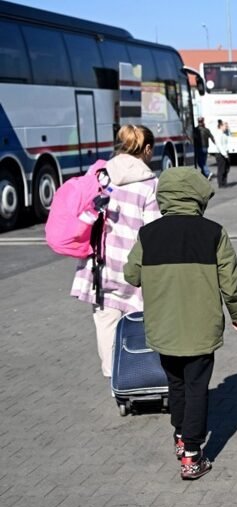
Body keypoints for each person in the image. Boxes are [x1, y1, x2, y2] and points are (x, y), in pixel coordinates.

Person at [124, 167, 237, 480]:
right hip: (201, 327)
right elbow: (230, 281)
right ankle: (192, 454)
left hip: (163, 326)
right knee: (196, 387)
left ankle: (180, 435)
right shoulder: (214, 232)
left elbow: (131, 275)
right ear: (198, 195)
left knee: (175, 383)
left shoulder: (148, 234)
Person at [70, 124, 161, 379]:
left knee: (106, 322)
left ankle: (114, 379)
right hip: (135, 266)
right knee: (139, 322)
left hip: (100, 265)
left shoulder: (99, 176)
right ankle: (137, 376)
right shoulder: (150, 183)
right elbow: (153, 230)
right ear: (147, 149)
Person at [213, 120, 231, 188]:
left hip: (225, 153)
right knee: (221, 169)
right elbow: (219, 145)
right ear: (221, 126)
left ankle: (224, 182)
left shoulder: (224, 133)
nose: (226, 127)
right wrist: (224, 154)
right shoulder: (218, 134)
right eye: (225, 126)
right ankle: (220, 183)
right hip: (220, 154)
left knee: (226, 169)